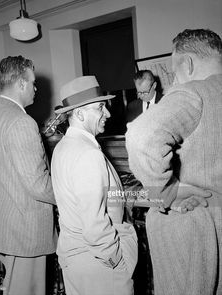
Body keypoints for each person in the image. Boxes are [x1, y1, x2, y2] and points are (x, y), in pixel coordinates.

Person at [125, 28, 222, 295]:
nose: (175, 79)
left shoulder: (193, 92)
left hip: (191, 226)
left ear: (187, 63)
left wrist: (167, 190)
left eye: (174, 71)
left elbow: (141, 137)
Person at [51, 75, 138, 295]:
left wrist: (164, 196)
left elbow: (107, 196)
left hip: (76, 260)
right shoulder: (88, 154)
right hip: (99, 265)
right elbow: (94, 224)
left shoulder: (63, 148)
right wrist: (116, 260)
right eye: (100, 107)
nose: (107, 113)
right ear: (79, 113)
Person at [0, 55, 57, 295]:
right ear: (22, 84)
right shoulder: (22, 122)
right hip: (25, 232)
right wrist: (70, 196)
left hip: (2, 226)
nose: (36, 88)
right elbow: (38, 186)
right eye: (34, 82)